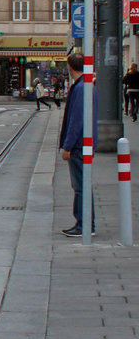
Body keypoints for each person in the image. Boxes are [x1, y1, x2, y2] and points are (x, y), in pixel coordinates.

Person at [59, 52, 99, 237]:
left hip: (79, 144)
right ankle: (84, 223)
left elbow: (76, 120)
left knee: (81, 185)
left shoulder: (82, 87)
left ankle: (84, 225)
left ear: (70, 67)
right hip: (84, 143)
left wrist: (67, 146)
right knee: (82, 184)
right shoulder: (86, 85)